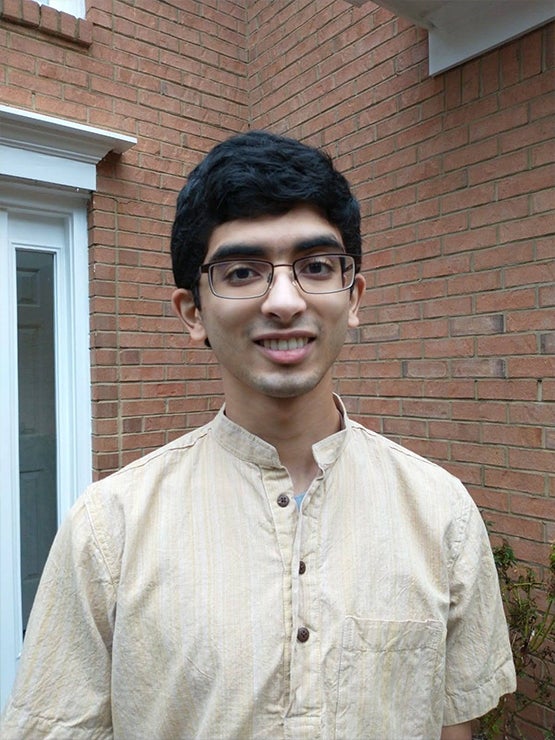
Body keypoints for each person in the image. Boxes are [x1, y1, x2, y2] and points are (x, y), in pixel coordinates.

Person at [1, 130, 515, 739]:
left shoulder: (442, 512)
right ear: (193, 312)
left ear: (354, 297)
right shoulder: (107, 532)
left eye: (317, 266)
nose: (284, 300)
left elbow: (456, 727)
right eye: (243, 271)